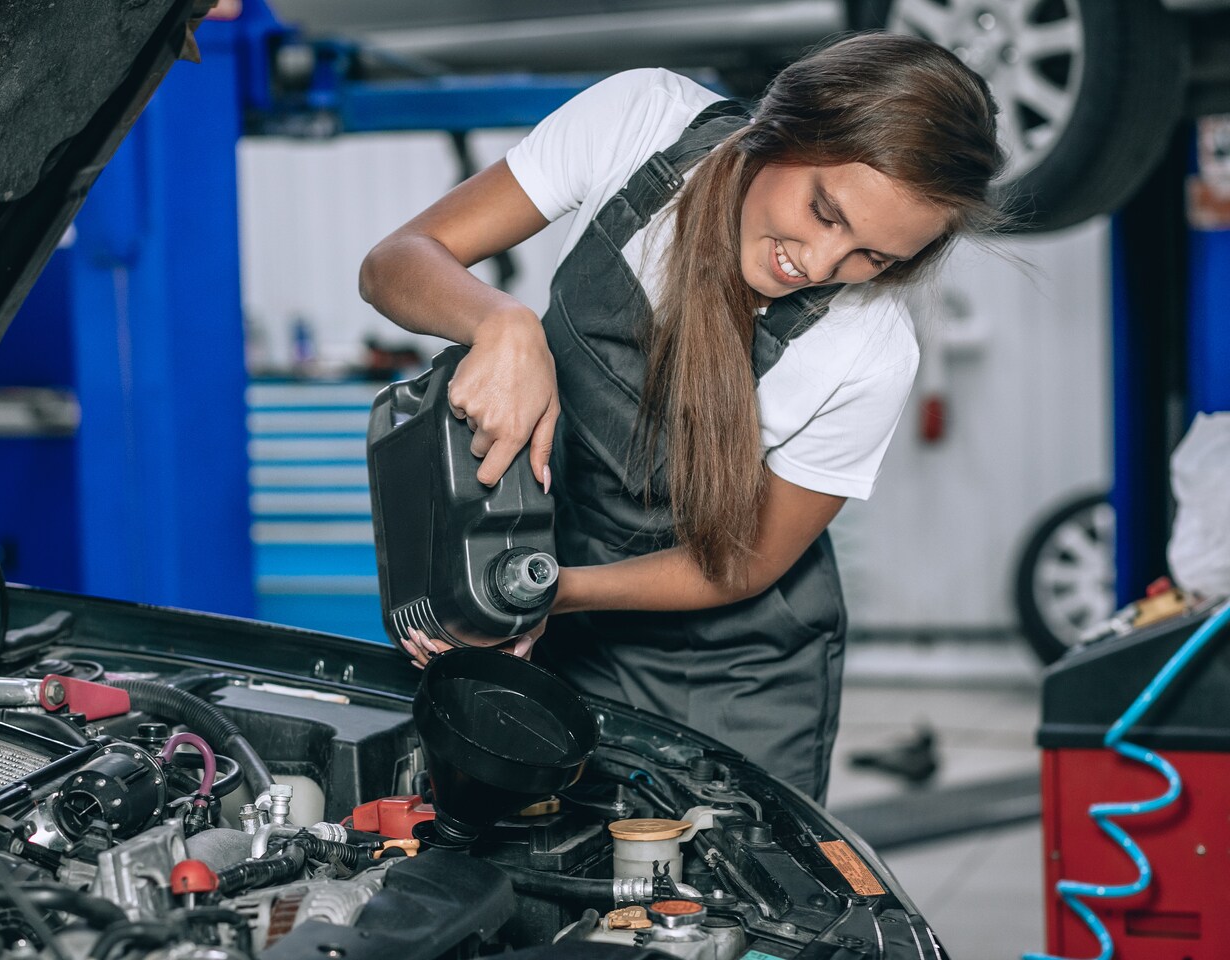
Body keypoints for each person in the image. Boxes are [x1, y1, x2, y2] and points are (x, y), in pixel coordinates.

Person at [359, 33, 1004, 801]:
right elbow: (396, 261)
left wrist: (552, 591)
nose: (821, 264)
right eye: (825, 212)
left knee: (713, 874)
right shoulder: (639, 124)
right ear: (783, 127)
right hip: (555, 598)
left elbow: (740, 563)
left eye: (874, 257)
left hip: (731, 670)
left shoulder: (870, 349)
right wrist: (502, 323)